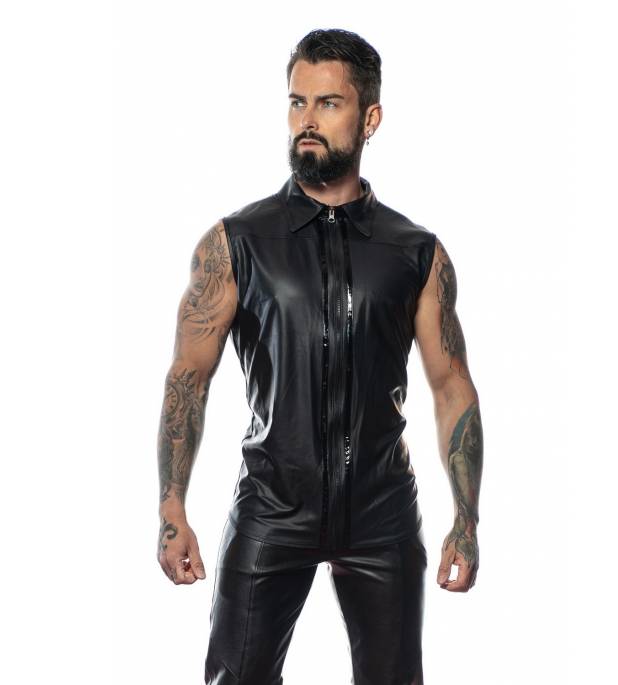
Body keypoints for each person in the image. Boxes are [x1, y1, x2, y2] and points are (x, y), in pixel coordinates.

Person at [156, 28, 483, 685]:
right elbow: (188, 378)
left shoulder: (414, 251)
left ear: (370, 118)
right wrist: (171, 509)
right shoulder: (238, 241)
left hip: (382, 514)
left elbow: (451, 385)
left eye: (328, 103)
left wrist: (466, 519)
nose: (307, 120)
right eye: (297, 102)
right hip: (271, 507)